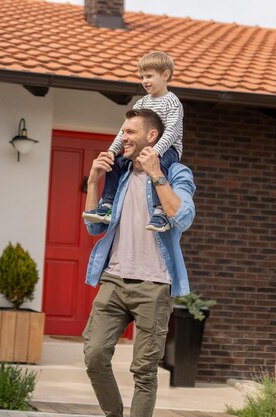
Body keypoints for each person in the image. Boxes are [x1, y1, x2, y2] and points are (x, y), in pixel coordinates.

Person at [82, 108, 196, 417]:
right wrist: (93, 181)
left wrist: (157, 174)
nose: (122, 138)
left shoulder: (177, 173)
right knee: (93, 355)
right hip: (115, 280)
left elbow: (183, 218)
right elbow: (94, 226)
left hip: (154, 285)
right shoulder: (120, 174)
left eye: (130, 132)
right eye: (123, 131)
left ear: (152, 136)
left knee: (144, 372)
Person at [83, 51, 184, 233]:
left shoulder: (172, 102)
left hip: (168, 150)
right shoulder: (140, 103)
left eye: (149, 76)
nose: (144, 81)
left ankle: (160, 212)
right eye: (142, 77)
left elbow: (172, 131)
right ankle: (107, 204)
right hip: (145, 152)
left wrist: (156, 152)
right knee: (115, 163)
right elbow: (124, 131)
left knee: (158, 166)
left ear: (165, 75)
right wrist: (112, 152)